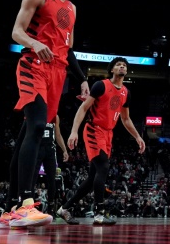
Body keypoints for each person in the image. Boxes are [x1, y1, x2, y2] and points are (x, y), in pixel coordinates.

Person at [0, 0, 90, 229]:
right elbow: (16, 31)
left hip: (58, 75)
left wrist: (82, 79)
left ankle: (9, 208)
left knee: (27, 136)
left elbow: (68, 50)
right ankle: (26, 203)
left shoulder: (72, 9)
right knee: (39, 126)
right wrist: (34, 43)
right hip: (33, 65)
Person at [56, 57, 146, 225]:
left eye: (124, 65)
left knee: (92, 178)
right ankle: (99, 212)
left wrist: (138, 136)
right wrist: (74, 131)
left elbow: (125, 120)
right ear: (112, 69)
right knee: (103, 167)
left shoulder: (126, 92)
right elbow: (83, 108)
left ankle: (65, 209)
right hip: (93, 129)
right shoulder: (101, 85)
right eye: (119, 65)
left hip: (108, 134)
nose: (122, 67)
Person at [34, 115, 69, 215]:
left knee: (52, 179)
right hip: (37, 147)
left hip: (50, 149)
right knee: (32, 177)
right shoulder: (37, 111)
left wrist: (64, 150)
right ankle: (28, 206)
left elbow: (58, 135)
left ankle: (51, 208)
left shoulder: (55, 116)